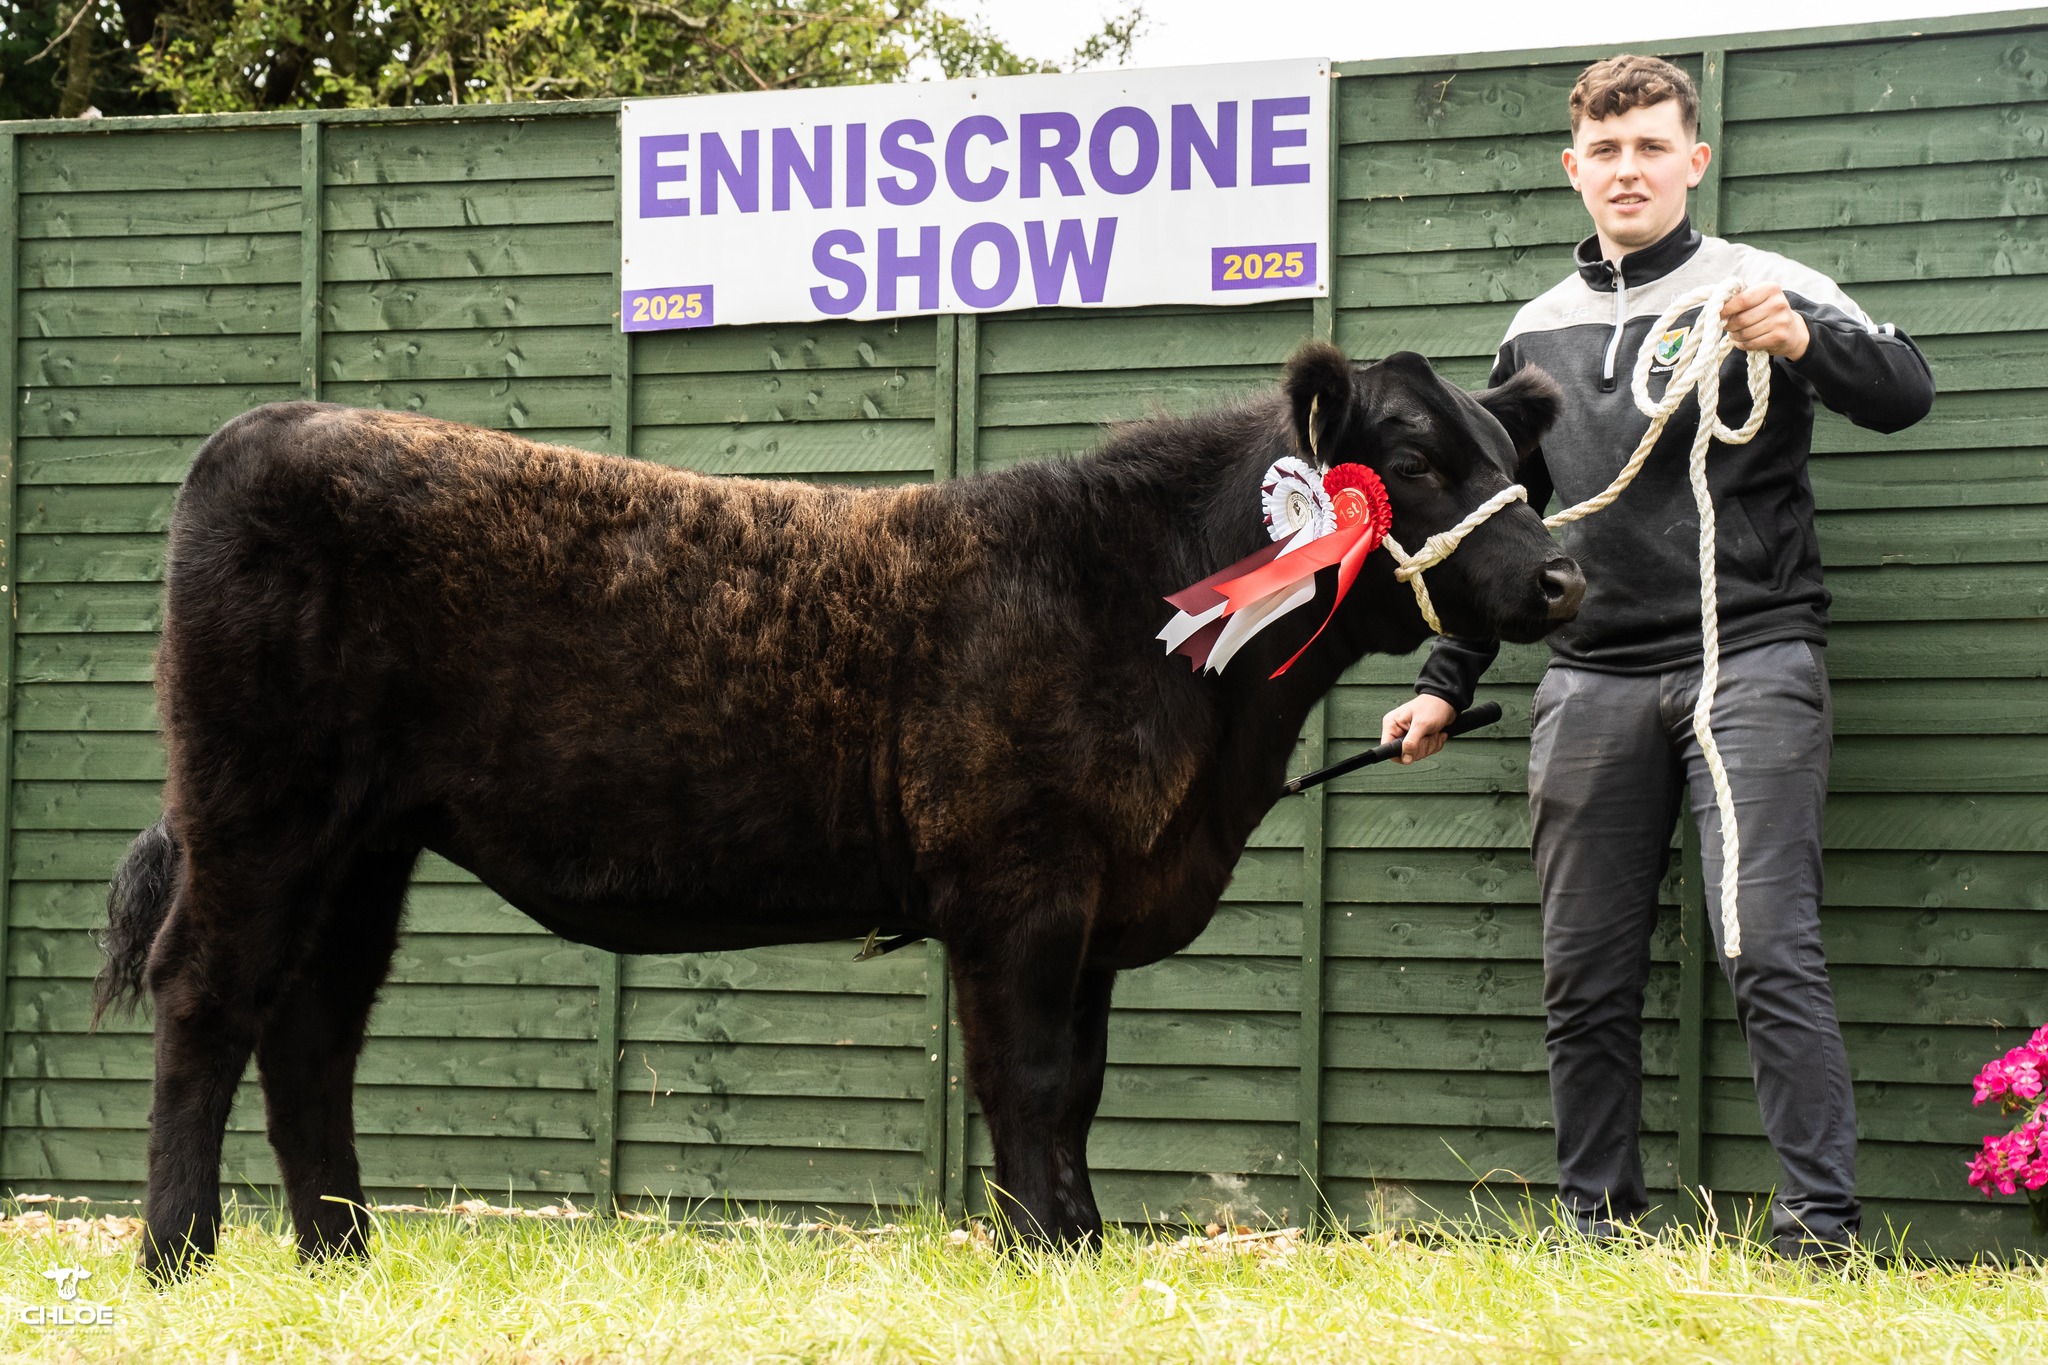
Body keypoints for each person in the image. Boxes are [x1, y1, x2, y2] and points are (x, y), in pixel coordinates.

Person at [1377, 54, 1934, 1258]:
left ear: (1693, 159)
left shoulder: (1761, 282)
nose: (1626, 170)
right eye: (1605, 151)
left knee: (1764, 946)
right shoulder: (1534, 330)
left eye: (1649, 147)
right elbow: (1500, 533)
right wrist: (1441, 685)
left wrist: (1801, 342)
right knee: (1581, 971)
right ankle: (1598, 1228)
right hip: (1588, 678)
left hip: (1751, 661)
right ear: (1573, 169)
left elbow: (1904, 391)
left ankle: (1818, 1230)